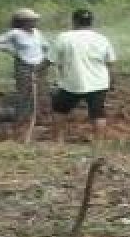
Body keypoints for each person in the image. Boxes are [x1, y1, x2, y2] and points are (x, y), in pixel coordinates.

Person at [49, 8, 116, 144]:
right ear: (91, 22)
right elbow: (111, 62)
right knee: (98, 113)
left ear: (74, 21)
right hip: (98, 82)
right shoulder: (102, 38)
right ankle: (98, 144)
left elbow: (50, 59)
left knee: (59, 110)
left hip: (72, 82)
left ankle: (58, 141)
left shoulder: (64, 37)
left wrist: (36, 70)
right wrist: (112, 81)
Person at [0, 8, 48, 126]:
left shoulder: (37, 32)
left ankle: (37, 116)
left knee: (40, 91)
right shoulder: (15, 33)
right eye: (31, 20)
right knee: (24, 92)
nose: (34, 22)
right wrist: (13, 51)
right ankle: (21, 118)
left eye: (34, 20)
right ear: (23, 21)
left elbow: (45, 45)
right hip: (24, 65)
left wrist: (46, 55)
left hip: (39, 65)